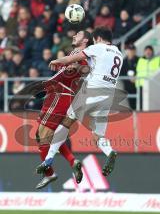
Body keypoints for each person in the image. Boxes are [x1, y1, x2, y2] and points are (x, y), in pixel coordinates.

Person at [36, 27, 123, 178]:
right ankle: (110, 151)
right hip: (108, 97)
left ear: (98, 38)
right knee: (98, 135)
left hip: (92, 91)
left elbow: (70, 59)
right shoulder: (119, 54)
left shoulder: (97, 48)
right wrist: (79, 67)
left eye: (94, 40)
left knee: (65, 122)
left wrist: (57, 60)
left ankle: (48, 159)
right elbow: (91, 67)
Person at [35, 30, 93, 189]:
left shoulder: (84, 54)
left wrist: (73, 69)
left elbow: (84, 70)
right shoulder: (76, 53)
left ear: (86, 40)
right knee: (44, 136)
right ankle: (72, 161)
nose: (74, 36)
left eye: (78, 35)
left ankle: (49, 173)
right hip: (56, 93)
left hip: (61, 94)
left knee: (43, 136)